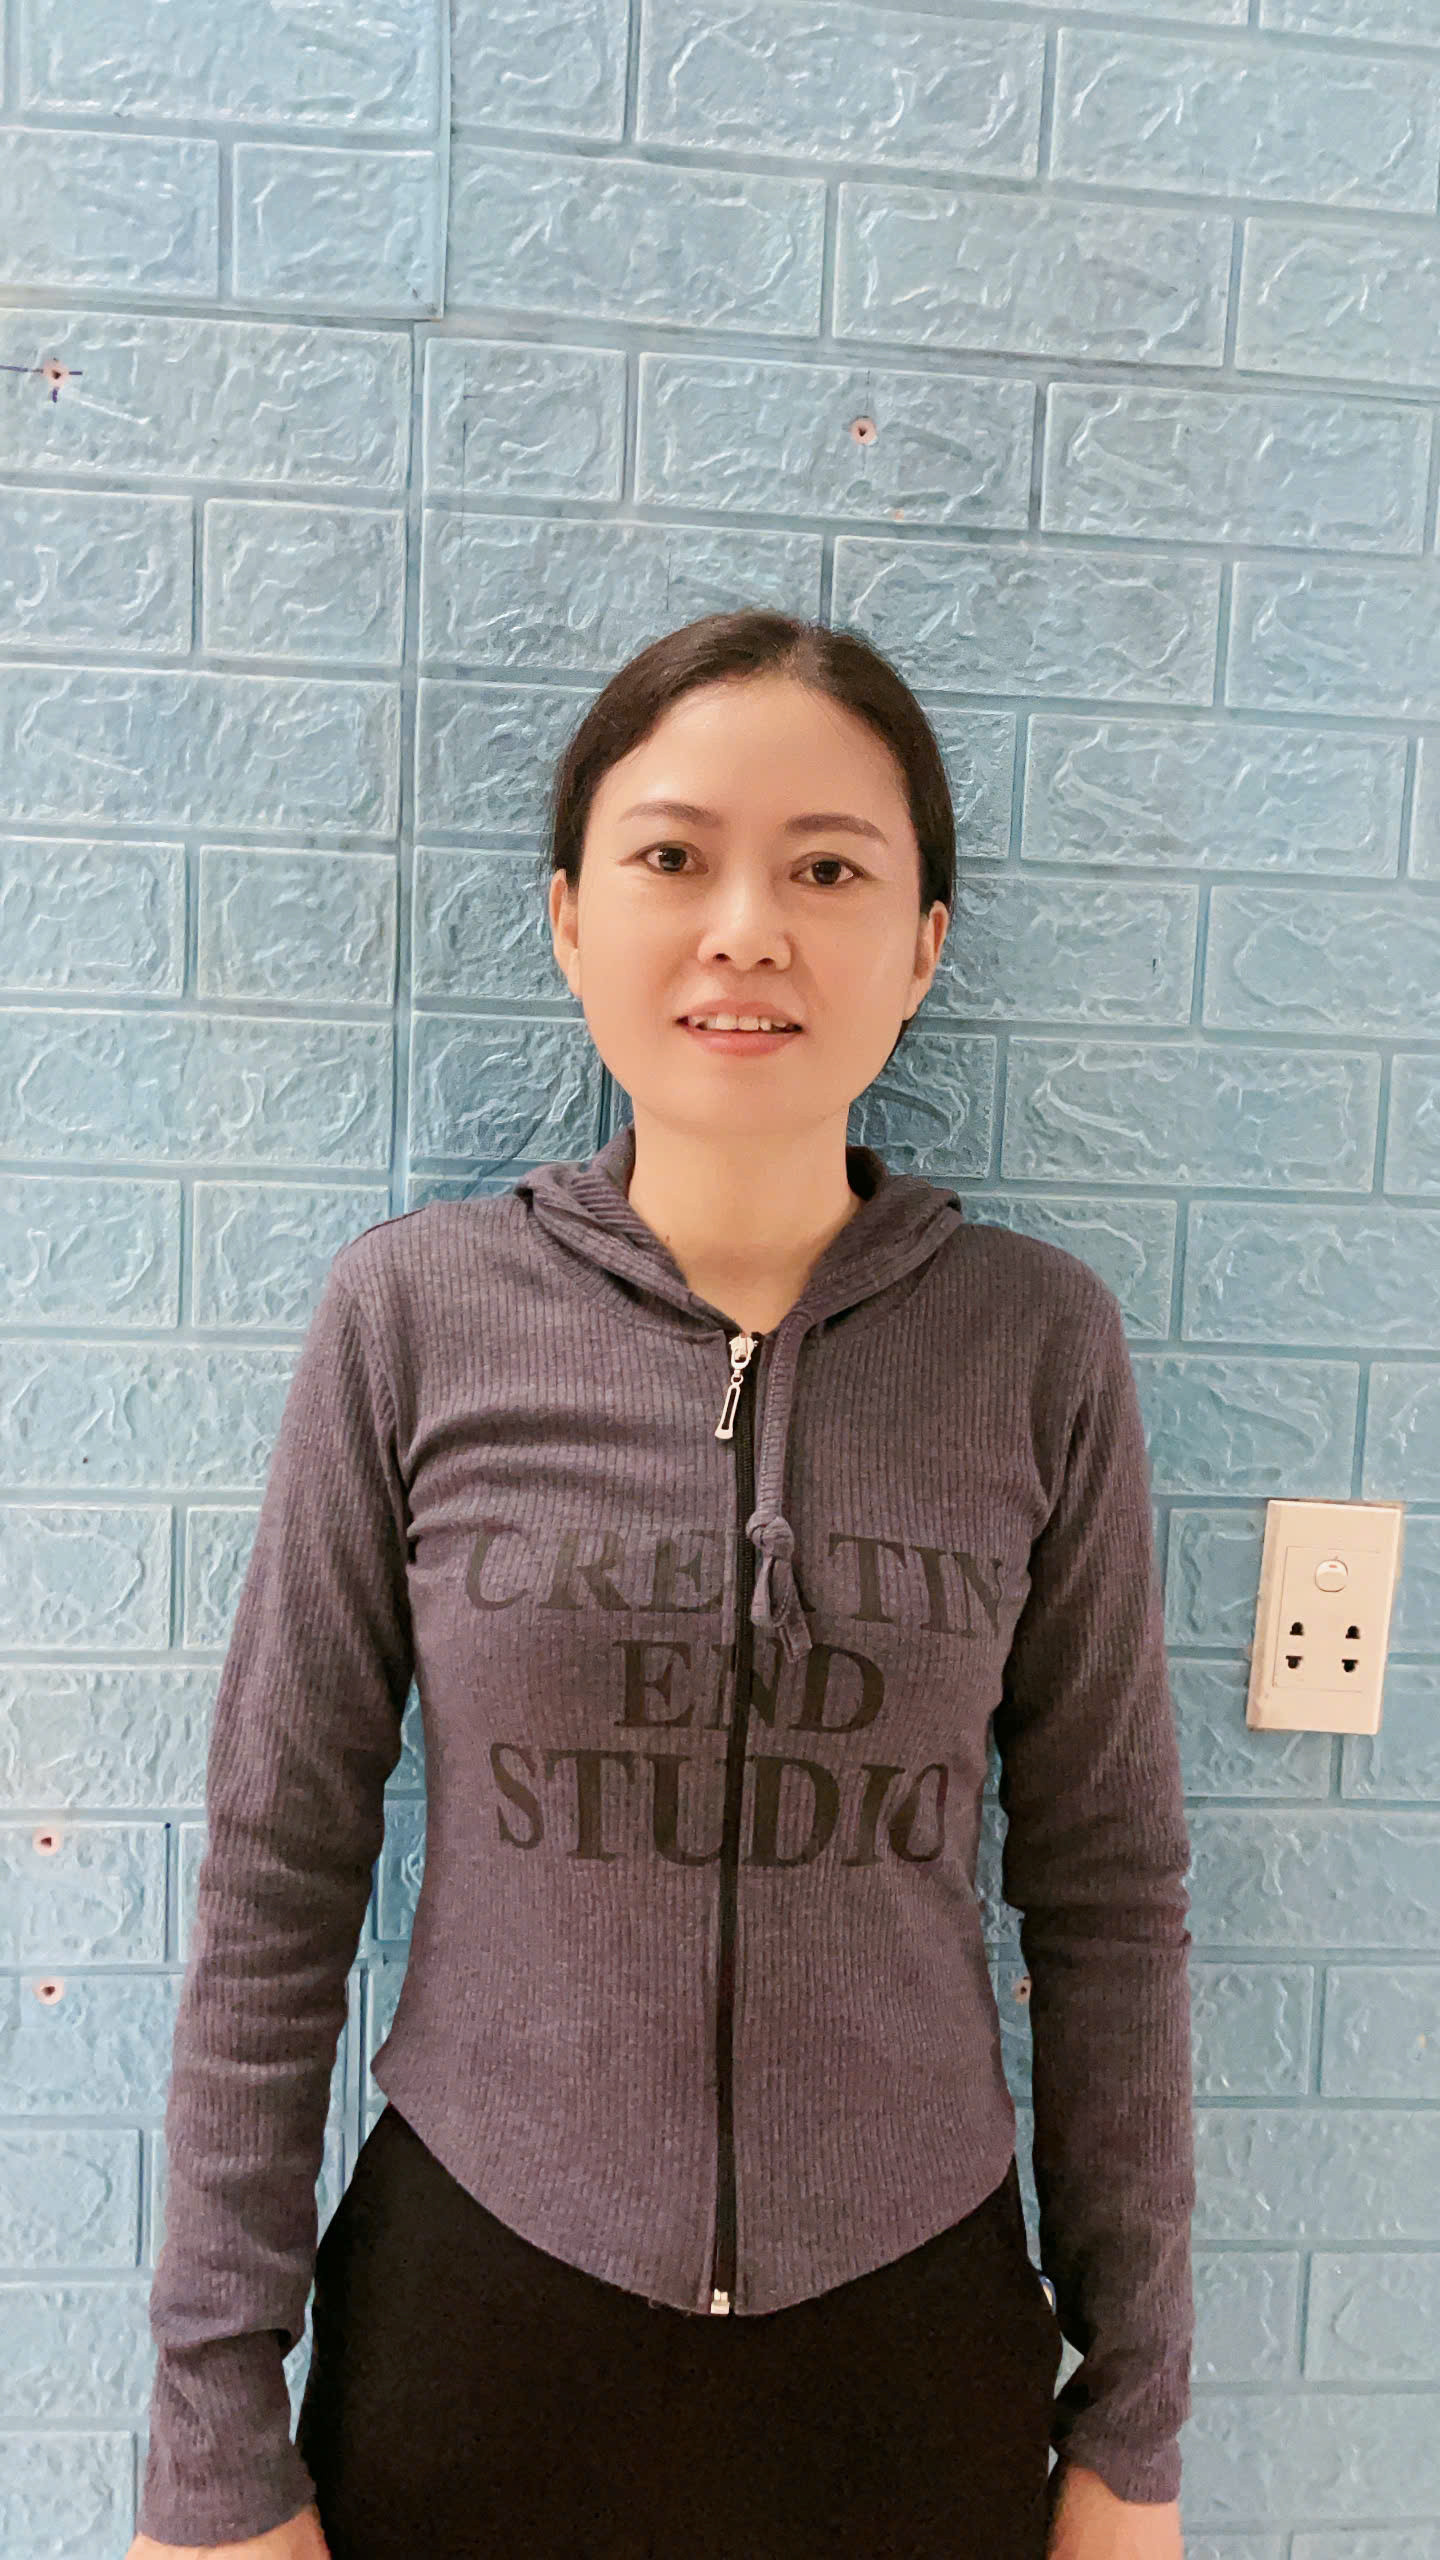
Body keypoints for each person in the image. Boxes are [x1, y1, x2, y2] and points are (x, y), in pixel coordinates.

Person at [127, 610, 1194, 2560]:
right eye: (675, 855)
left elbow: (1110, 1896)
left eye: (828, 870)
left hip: (906, 2356)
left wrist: (1135, 2429)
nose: (746, 929)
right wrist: (210, 2438)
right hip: (478, 2326)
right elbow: (279, 1870)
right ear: (568, 916)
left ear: (925, 943)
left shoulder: (1040, 1347)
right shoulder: (413, 1319)